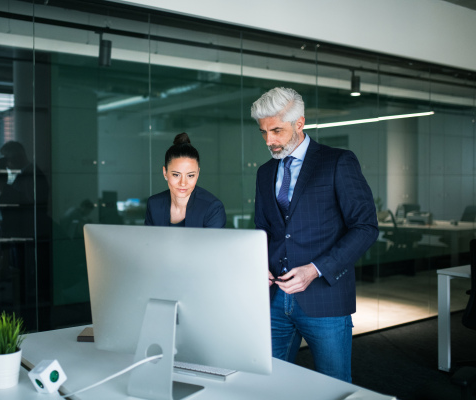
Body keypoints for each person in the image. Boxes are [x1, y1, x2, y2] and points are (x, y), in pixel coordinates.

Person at [251, 87, 378, 382]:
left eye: (277, 130)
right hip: (274, 300)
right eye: (263, 132)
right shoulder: (264, 173)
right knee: (265, 384)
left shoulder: (337, 162)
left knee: (334, 386)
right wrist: (259, 264)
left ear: (299, 123)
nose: (269, 140)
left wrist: (315, 269)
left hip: (325, 299)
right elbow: (263, 230)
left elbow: (365, 227)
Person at [145, 132, 226, 228]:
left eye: (190, 175)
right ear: (165, 172)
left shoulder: (212, 208)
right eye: (176, 175)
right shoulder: (154, 204)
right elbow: (149, 242)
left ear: (198, 174)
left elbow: (212, 243)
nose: (183, 183)